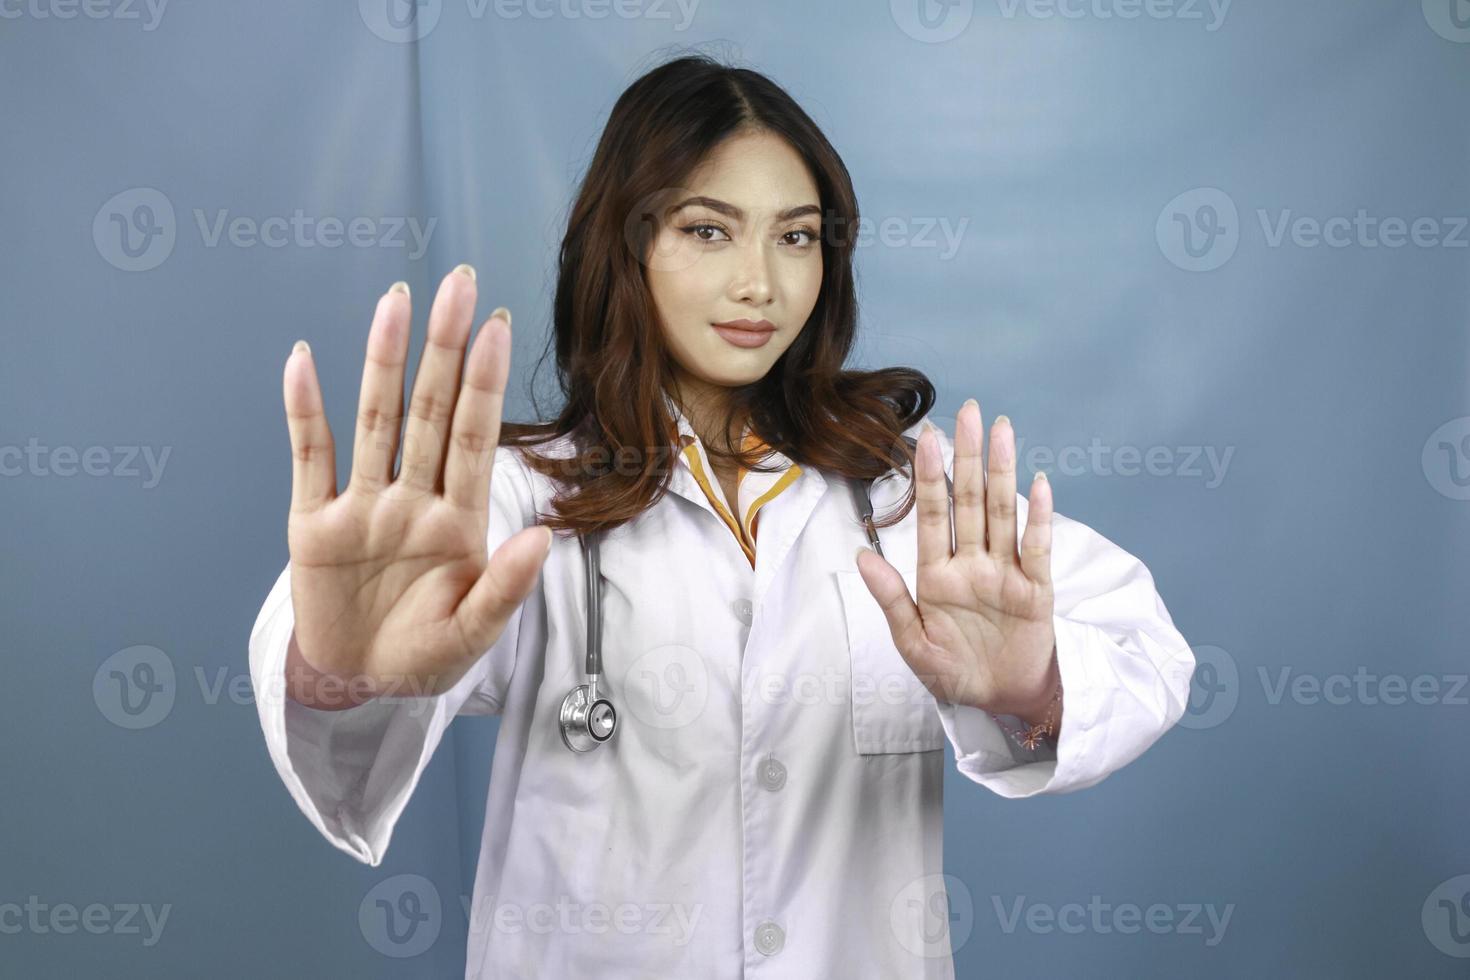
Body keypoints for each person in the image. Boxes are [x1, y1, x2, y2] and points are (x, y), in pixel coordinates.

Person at [248, 53, 1195, 979]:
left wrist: (1033, 689)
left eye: (796, 236)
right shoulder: (520, 497)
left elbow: (1146, 647)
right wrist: (335, 670)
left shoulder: (911, 499)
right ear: (627, 243)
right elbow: (350, 683)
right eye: (709, 231)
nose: (762, 285)